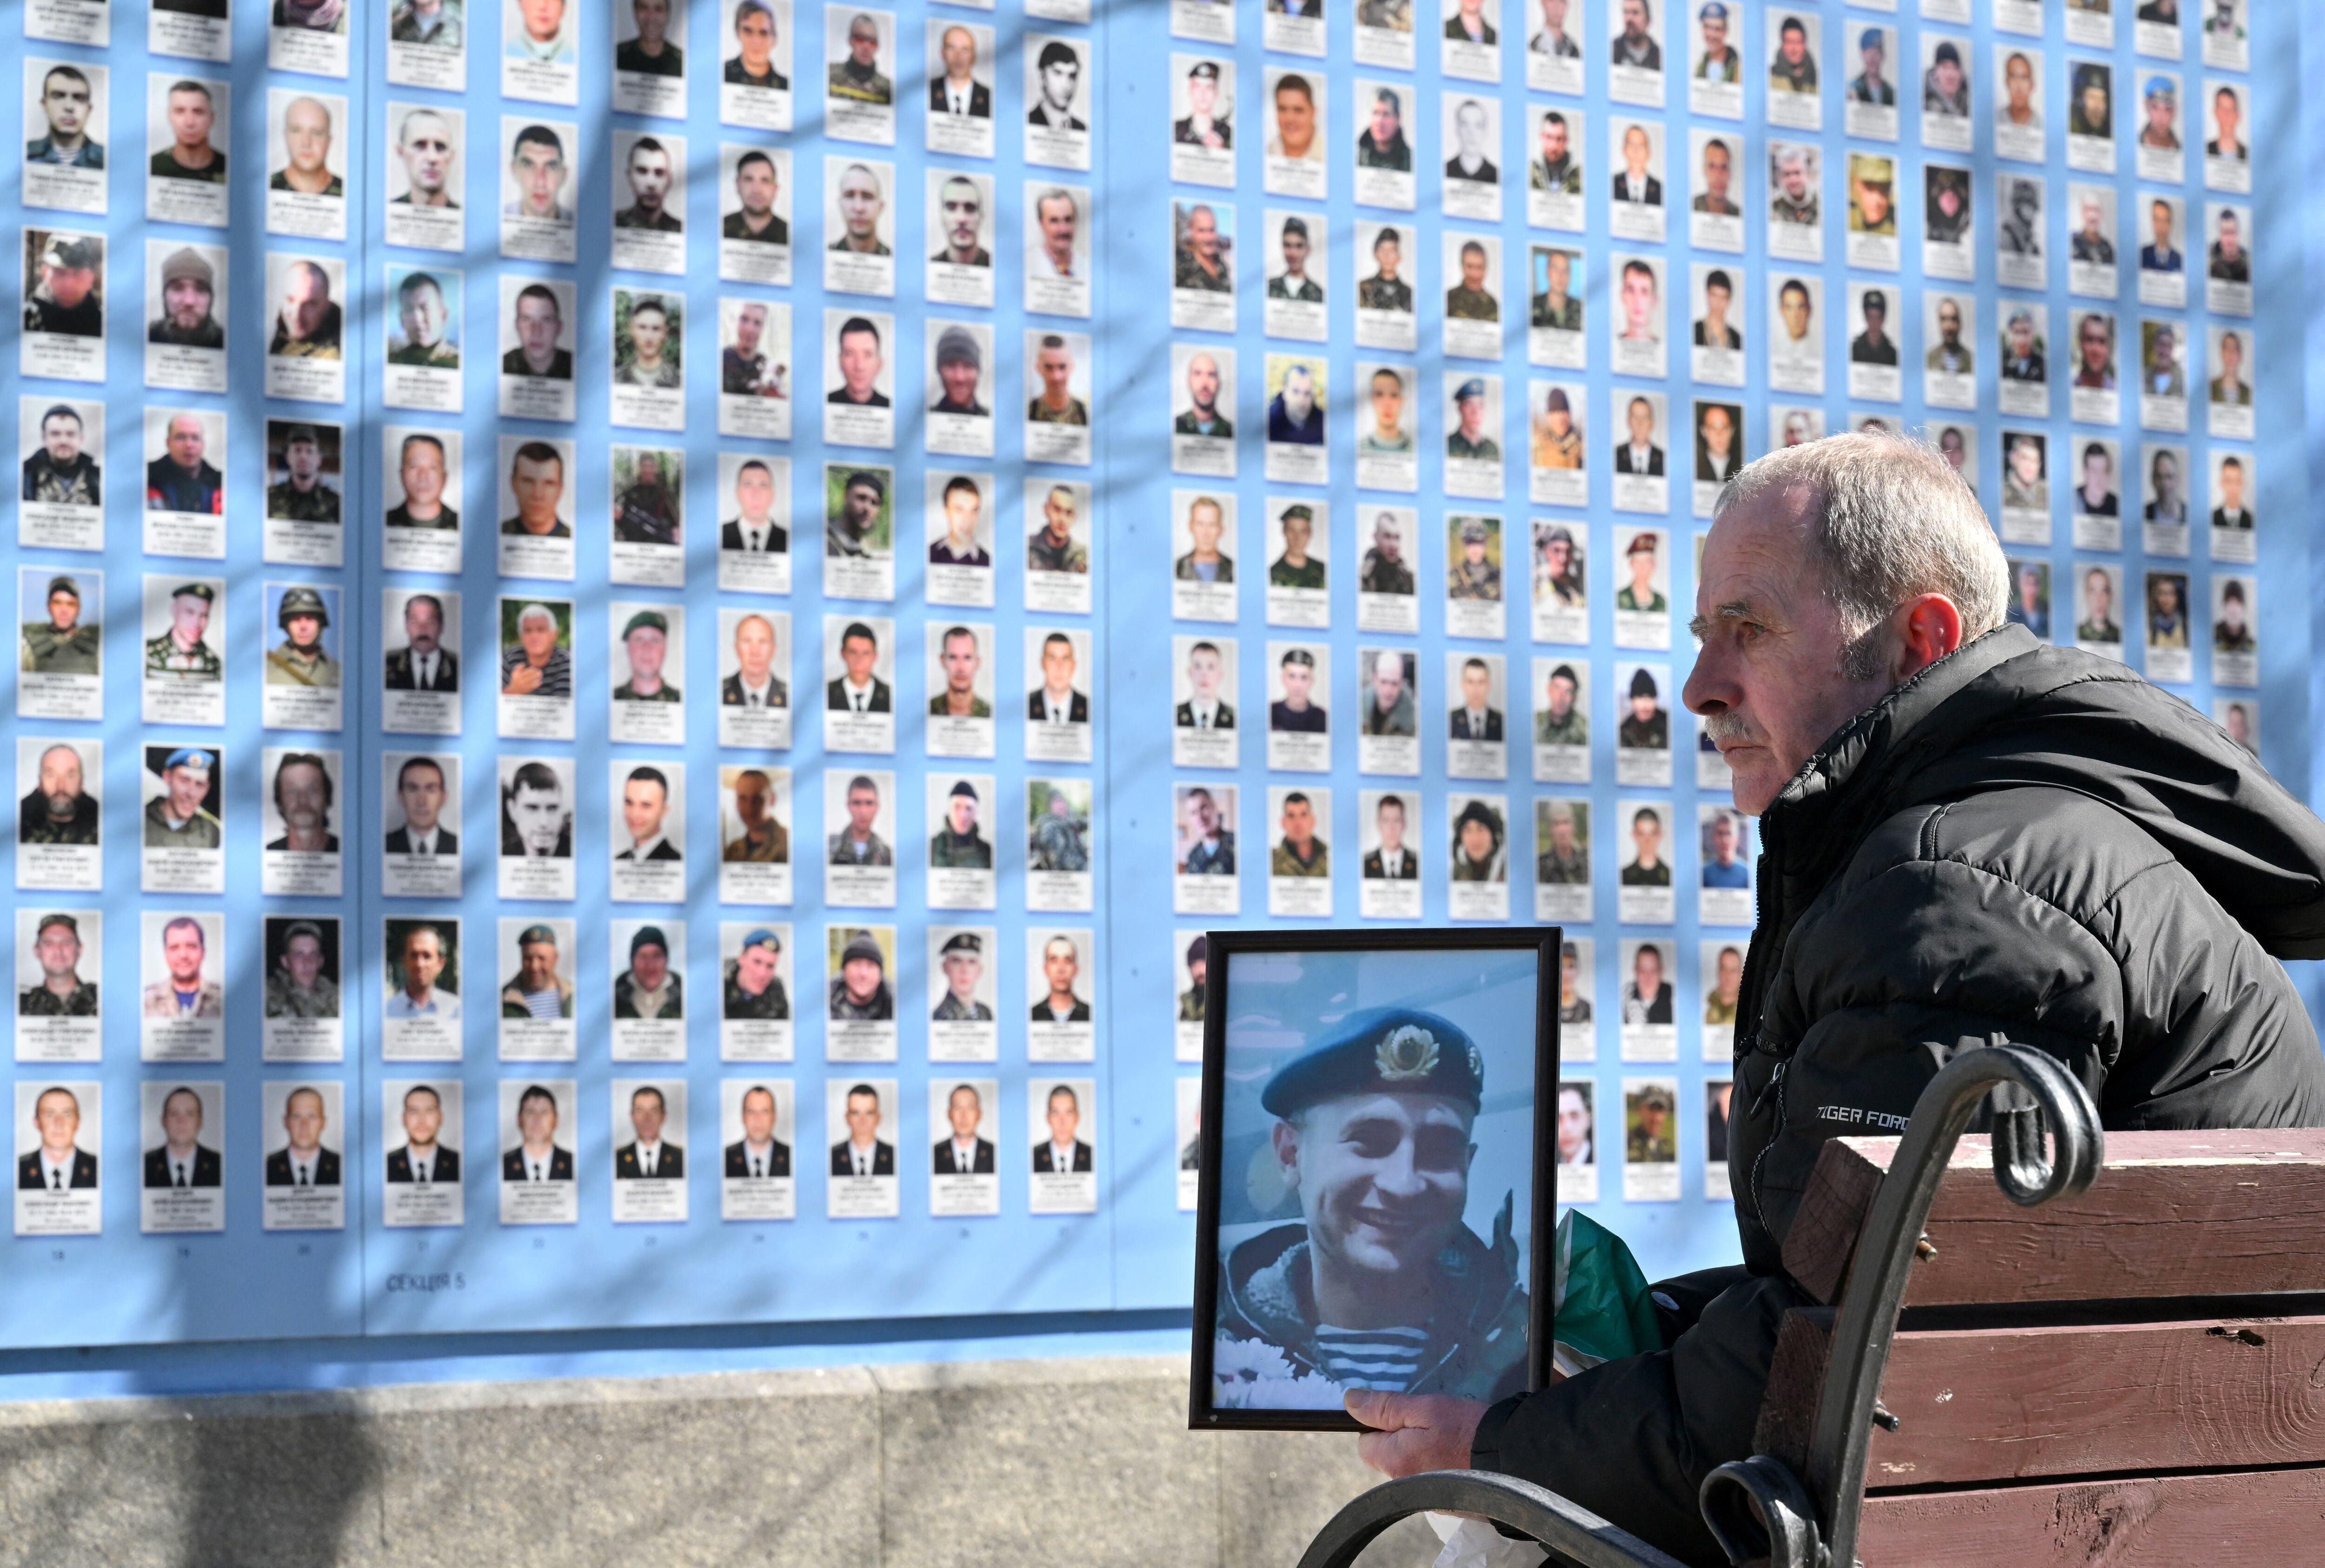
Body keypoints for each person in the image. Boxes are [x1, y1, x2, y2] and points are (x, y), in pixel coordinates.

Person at [1346, 431, 2325, 1558]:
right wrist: (1652, 1329)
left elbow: (1847, 1357)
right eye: (1700, 633)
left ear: (1919, 638)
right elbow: (1859, 1295)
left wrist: (1503, 1443)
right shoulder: (1990, 849)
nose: (1699, 685)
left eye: (1748, 629)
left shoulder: (1955, 895)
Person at [1218, 1001, 1528, 1400]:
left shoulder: (1523, 1346)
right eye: (1370, 1141)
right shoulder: (1223, 1342)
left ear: (1467, 1165)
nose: (1404, 1184)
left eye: (1440, 1151)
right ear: (1290, 1155)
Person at [17, 1087, 96, 1191]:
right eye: (50, 1114)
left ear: (78, 1122)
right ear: (37, 1122)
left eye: (67, 1114)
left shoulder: (97, 1167)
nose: (59, 1123)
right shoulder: (19, 1168)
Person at [141, 1087, 221, 1190]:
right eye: (174, 1114)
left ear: (200, 1121)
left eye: (189, 1114)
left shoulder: (218, 1165)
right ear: (164, 1121)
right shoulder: (145, 1165)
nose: (181, 1121)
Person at [23, 236, 102, 339]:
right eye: (60, 272)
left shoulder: (106, 327)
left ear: (91, 278)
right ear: (44, 272)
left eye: (77, 273)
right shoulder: (22, 320)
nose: (68, 284)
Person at [23, 406, 99, 511]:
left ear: (81, 438)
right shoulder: (25, 475)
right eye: (55, 434)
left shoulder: (98, 477)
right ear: (44, 438)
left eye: (71, 434)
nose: (63, 441)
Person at [19, 914, 96, 1017]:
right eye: (49, 943)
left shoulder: (103, 999)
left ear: (79, 949)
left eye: (66, 942)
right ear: (37, 951)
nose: (58, 951)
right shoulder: (20, 1006)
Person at [262, 1087, 339, 1189]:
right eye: (296, 1117)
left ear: (323, 1122)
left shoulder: (339, 1166)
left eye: (312, 1117)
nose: (304, 1125)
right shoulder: (268, 1167)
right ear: (286, 1122)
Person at [143, 747, 219, 849]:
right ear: (167, 777)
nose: (191, 793)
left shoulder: (211, 832)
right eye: (184, 780)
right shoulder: (141, 821)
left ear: (207, 788)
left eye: (200, 784)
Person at [27, 65, 103, 169]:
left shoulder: (106, 159)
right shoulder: (25, 153)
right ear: (44, 104)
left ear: (89, 109)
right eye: (58, 96)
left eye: (79, 98)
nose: (69, 107)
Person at [152, 81, 227, 184]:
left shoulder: (229, 167)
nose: (190, 123)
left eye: (198, 112)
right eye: (180, 111)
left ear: (212, 118)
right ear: (169, 116)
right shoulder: (153, 166)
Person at [21, 577, 100, 677]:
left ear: (79, 609)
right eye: (57, 603)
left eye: (71, 604)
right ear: (48, 607)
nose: (64, 611)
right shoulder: (28, 647)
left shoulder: (99, 647)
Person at [147, 415, 224, 515]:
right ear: (168, 443)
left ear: (203, 445)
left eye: (195, 438)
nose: (189, 445)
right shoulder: (147, 480)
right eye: (181, 437)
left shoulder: (221, 486)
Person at [265, 586, 339, 689]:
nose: (303, 626)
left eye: (310, 619)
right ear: (286, 626)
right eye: (295, 619)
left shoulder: (339, 672)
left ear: (321, 624)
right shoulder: (264, 669)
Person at [145, 583, 222, 682]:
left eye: (204, 615)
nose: (197, 623)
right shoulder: (147, 653)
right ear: (174, 611)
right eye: (190, 612)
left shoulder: (214, 663)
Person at [384, 593, 458, 693]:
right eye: (415, 622)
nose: (423, 629)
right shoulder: (388, 663)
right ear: (407, 626)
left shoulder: (457, 665)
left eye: (430, 622)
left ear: (441, 626)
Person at [265, 753, 337, 854]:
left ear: (327, 798)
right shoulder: (268, 853)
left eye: (313, 790)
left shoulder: (345, 849)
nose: (303, 800)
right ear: (279, 803)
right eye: (292, 792)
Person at [267, 426, 340, 523]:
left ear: (319, 459)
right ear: (288, 457)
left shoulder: (336, 503)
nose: (303, 457)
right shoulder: (269, 498)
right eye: (297, 450)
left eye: (310, 451)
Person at [271, 97, 340, 198]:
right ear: (286, 136)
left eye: (317, 133)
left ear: (329, 141)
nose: (306, 143)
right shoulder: (269, 186)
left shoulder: (348, 192)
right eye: (296, 131)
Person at [499, 924, 572, 1019]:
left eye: (542, 958)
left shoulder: (574, 996)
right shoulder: (502, 1000)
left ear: (555, 959)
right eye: (528, 959)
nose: (534, 967)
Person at [385, 1085, 457, 1183]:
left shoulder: (457, 1163)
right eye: (414, 1111)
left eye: (430, 1111)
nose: (422, 1120)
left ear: (440, 1117)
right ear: (404, 1118)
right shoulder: (387, 1164)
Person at [385, 756, 454, 857]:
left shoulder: (457, 845)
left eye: (431, 790)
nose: (422, 802)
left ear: (443, 798)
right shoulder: (385, 844)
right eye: (413, 789)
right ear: (400, 797)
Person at [500, 601, 571, 699]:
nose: (534, 636)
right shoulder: (508, 658)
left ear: (554, 635)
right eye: (528, 631)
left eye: (541, 630)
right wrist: (514, 690)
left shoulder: (568, 662)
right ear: (521, 636)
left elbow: (563, 709)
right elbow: (491, 706)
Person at [502, 1086, 573, 1183]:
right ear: (520, 1120)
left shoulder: (572, 1164)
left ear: (556, 1120)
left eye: (544, 1112)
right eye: (530, 1112)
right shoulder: (503, 1164)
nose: (537, 1119)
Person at [505, 125, 572, 224]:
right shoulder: (495, 221)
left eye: (551, 167)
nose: (540, 182)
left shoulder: (583, 224)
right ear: (514, 170)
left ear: (564, 174)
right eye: (528, 165)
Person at [614, 1086, 683, 1178]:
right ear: (632, 1116)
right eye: (640, 1111)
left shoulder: (680, 1158)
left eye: (654, 1111)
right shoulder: (618, 1159)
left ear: (663, 1116)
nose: (647, 1118)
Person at [614, 137, 681, 232]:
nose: (651, 183)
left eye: (659, 173)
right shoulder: (615, 221)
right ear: (629, 176)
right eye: (642, 171)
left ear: (669, 179)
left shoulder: (680, 228)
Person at [614, 298, 680, 392]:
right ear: (632, 329)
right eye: (642, 328)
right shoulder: (616, 379)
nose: (649, 337)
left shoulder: (679, 382)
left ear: (665, 333)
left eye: (656, 329)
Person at [719, 461, 785, 556]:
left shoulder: (787, 538)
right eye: (748, 485)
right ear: (737, 492)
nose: (756, 494)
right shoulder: (721, 534)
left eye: (763, 485)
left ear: (773, 494)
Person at [723, 928, 790, 1019]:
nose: (762, 974)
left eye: (770, 966)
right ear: (742, 958)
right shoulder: (720, 980)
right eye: (757, 962)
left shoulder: (776, 987)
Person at [828, 12, 892, 105]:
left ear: (877, 46)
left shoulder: (888, 89)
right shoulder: (828, 74)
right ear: (850, 41)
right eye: (860, 39)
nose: (866, 47)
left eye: (872, 41)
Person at [826, 621, 890, 713]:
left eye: (866, 653)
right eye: (853, 652)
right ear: (843, 653)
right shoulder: (827, 693)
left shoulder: (890, 695)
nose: (859, 661)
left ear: (875, 656)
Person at [726, 1085, 790, 1178]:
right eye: (752, 1112)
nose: (758, 1119)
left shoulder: (791, 1156)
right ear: (743, 1117)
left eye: (765, 1112)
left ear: (774, 1117)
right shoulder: (726, 1158)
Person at [830, 1084, 894, 1177]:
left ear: (878, 1118)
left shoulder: (893, 1156)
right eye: (856, 1113)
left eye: (869, 1113)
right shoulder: (832, 1156)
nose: (862, 1121)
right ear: (847, 1118)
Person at [928, 780, 993, 870]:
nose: (963, 815)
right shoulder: (932, 847)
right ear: (949, 810)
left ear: (976, 813)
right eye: (957, 807)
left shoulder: (987, 852)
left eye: (969, 809)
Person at [829, 317, 890, 410]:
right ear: (840, 361)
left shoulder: (890, 406)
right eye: (849, 354)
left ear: (879, 363)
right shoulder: (827, 402)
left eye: (868, 355)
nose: (859, 366)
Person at [930, 24, 990, 116]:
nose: (958, 56)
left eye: (965, 50)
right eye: (951, 48)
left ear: (974, 57)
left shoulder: (988, 97)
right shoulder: (928, 90)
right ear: (943, 53)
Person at [932, 934, 993, 1023]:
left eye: (972, 962)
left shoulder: (986, 1013)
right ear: (945, 967)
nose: (965, 970)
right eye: (957, 961)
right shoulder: (940, 1016)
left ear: (980, 970)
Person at [935, 1083, 995, 1171]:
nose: (964, 1116)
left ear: (979, 1114)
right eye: (958, 1108)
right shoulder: (935, 1154)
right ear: (949, 1114)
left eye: (970, 1108)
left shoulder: (993, 1153)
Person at [726, 0, 786, 88]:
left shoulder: (784, 85)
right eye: (748, 31)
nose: (756, 41)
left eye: (764, 33)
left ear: (774, 39)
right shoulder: (723, 75)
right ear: (738, 33)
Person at [1029, 39, 1085, 132]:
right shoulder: (1029, 120)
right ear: (1043, 76)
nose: (1066, 86)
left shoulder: (1082, 128)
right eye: (1058, 73)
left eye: (1072, 76)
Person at [1034, 1085, 1094, 1172]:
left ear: (1077, 1117)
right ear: (1048, 1118)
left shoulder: (1092, 1155)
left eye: (1069, 1113)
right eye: (1056, 1113)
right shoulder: (1034, 1156)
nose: (1062, 1122)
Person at [1032, 936, 1092, 1023]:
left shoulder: (1090, 1014)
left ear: (1076, 969)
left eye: (1068, 961)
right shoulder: (1033, 1015)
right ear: (1046, 969)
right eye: (1054, 960)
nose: (1061, 969)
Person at [1176, 641, 1234, 731]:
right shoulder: (1175, 715)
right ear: (1190, 673)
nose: (1204, 674)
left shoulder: (1234, 718)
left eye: (1211, 667)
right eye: (1198, 667)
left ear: (1220, 674)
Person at [1178, 787, 1236, 875]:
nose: (1200, 817)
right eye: (1193, 813)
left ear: (1214, 808)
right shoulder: (1193, 856)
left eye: (1203, 808)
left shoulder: (1237, 843)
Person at [1175, 496, 1234, 581]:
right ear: (1191, 527)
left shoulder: (1234, 569)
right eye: (1200, 524)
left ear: (1221, 530)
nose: (1206, 533)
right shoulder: (1177, 568)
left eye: (1212, 525)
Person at [1175, 204, 1229, 294]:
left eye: (1212, 230)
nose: (1208, 238)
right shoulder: (1180, 266)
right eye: (1202, 231)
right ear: (1191, 230)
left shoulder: (1221, 265)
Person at [1030, 188, 1082, 284]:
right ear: (1042, 224)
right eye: (1054, 221)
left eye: (1068, 220)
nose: (1063, 229)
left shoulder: (1089, 267)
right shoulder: (1028, 265)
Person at [1358, 369, 1413, 457]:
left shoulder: (1417, 450)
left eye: (1394, 395)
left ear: (1401, 400)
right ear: (1372, 399)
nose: (1387, 404)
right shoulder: (1358, 448)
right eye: (1379, 394)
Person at [618, 0, 682, 74]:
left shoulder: (682, 62)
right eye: (644, 8)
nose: (651, 17)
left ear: (668, 14)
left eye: (658, 9)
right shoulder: (618, 56)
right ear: (635, 12)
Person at [1361, 652, 1415, 737]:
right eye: (1384, 682)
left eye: (1394, 683)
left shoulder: (1413, 717)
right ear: (1374, 680)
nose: (1388, 691)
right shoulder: (1360, 704)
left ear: (1402, 684)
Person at [1359, 228, 1413, 314]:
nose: (1387, 256)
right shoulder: (1363, 289)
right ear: (1376, 254)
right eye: (1382, 250)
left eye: (1392, 250)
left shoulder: (1410, 294)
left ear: (1399, 256)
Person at [1449, 800, 1504, 882]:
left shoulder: (1508, 868)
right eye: (1468, 830)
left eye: (1481, 828)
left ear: (1492, 835)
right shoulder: (1453, 872)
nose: (1475, 838)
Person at [1361, 515, 1415, 596]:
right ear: (1376, 537)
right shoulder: (1364, 576)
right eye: (1387, 536)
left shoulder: (1407, 578)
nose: (1394, 545)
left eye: (1397, 537)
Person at [1448, 380, 1501, 463]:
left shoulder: (1492, 449)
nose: (1476, 412)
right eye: (1469, 404)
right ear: (1460, 409)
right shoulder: (1448, 445)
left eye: (1480, 405)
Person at [1612, 124, 1661, 211]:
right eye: (1631, 144)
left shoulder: (1660, 189)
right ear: (1624, 150)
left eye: (1641, 145)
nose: (1636, 151)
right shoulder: (1612, 184)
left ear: (1648, 152)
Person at [1447, 520, 1499, 602]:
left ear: (1485, 544)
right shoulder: (1452, 577)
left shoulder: (1500, 576)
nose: (1474, 549)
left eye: (1478, 543)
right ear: (1464, 545)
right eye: (1470, 543)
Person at [1620, 807, 1672, 889]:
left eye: (1653, 834)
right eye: (1642, 834)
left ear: (1660, 835)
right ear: (1634, 835)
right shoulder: (1622, 877)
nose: (1648, 841)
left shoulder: (1671, 878)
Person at [1621, 941, 1673, 1021]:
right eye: (1643, 971)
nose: (1648, 977)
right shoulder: (1622, 998)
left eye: (1653, 971)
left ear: (1661, 972)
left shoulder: (1675, 997)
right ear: (1636, 971)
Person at [1614, 399, 1665, 480]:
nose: (1640, 423)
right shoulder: (1616, 455)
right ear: (1629, 421)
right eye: (1636, 417)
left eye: (1645, 418)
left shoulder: (1663, 458)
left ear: (1652, 423)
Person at [507, 0, 571, 61]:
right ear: (520, 3)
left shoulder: (575, 57)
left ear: (563, 7)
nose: (543, 6)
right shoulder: (504, 51)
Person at [1769, 14, 1816, 94]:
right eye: (1789, 42)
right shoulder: (1769, 77)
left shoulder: (1819, 80)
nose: (1793, 48)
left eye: (1798, 42)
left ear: (1804, 45)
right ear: (1783, 44)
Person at [1926, 298, 1972, 376]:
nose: (1949, 326)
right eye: (1944, 319)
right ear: (1939, 323)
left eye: (1953, 319)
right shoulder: (1929, 358)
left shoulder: (1972, 359)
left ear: (1960, 323)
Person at [1846, 26, 1892, 104]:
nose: (1872, 59)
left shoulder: (1891, 93)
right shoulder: (1852, 88)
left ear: (1883, 55)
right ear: (1862, 55)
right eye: (1868, 53)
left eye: (1876, 53)